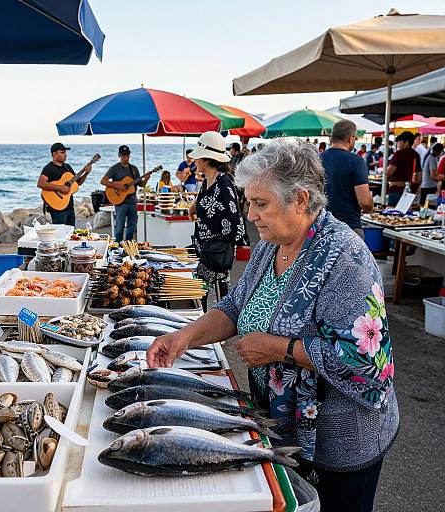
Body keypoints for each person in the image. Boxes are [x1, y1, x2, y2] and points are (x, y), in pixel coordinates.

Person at [148, 139, 399, 512]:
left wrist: (280, 349)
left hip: (342, 438)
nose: (250, 215)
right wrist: (184, 337)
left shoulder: (346, 259)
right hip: (282, 423)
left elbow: (367, 361)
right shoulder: (272, 243)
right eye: (250, 202)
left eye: (260, 204)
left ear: (300, 200)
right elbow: (235, 304)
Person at [187, 131, 245, 312]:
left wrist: (217, 238)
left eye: (197, 158)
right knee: (200, 292)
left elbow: (236, 223)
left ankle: (215, 330)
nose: (194, 161)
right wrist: (193, 206)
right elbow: (202, 199)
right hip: (204, 249)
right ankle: (204, 325)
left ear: (206, 159)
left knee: (217, 295)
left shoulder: (224, 184)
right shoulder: (207, 181)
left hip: (218, 252)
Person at [321, 120, 373, 238]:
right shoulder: (356, 161)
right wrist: (370, 206)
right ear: (351, 138)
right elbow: (364, 201)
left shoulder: (317, 159)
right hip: (348, 228)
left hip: (320, 227)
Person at [100, 145, 150, 242]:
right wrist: (118, 186)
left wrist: (146, 179)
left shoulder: (134, 169)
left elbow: (141, 184)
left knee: (132, 226)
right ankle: (117, 247)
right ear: (119, 155)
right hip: (120, 203)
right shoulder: (114, 168)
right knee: (119, 227)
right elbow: (103, 181)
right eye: (123, 155)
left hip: (132, 202)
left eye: (127, 155)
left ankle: (128, 246)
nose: (125, 157)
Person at [37, 142, 93, 226]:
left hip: (69, 206)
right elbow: (40, 183)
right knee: (60, 235)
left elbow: (77, 183)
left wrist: (86, 173)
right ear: (55, 154)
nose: (65, 155)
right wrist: (60, 188)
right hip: (57, 207)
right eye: (62, 152)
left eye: (65, 152)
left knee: (70, 233)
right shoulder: (49, 168)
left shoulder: (67, 167)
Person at [386, 131, 422, 206]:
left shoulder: (399, 154)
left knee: (392, 214)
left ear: (406, 142)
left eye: (399, 141)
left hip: (396, 190)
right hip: (410, 192)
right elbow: (419, 177)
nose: (398, 144)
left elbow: (389, 172)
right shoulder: (416, 155)